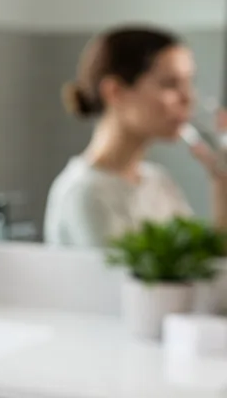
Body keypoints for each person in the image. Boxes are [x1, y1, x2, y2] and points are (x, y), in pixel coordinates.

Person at [45, 25, 227, 248]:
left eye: (190, 83)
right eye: (170, 84)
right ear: (115, 91)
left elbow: (203, 267)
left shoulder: (158, 182)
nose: (188, 98)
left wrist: (222, 183)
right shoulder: (86, 193)